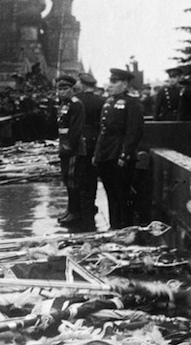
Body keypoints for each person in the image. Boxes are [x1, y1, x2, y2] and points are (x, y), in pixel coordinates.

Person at [93, 68, 144, 229]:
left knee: (123, 193)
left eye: (115, 82)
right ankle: (114, 226)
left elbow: (133, 131)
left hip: (119, 154)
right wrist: (97, 153)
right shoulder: (108, 102)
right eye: (111, 81)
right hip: (106, 154)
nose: (111, 85)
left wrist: (125, 154)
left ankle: (126, 228)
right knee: (111, 192)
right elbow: (103, 131)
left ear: (125, 84)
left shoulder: (132, 102)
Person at [54, 76, 87, 229]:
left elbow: (76, 128)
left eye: (65, 89)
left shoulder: (76, 105)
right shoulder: (63, 105)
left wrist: (68, 146)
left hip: (73, 148)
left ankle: (76, 212)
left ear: (72, 89)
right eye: (59, 89)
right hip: (64, 146)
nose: (62, 92)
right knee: (67, 179)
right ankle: (70, 209)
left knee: (73, 180)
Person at [75, 73, 106, 230]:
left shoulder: (75, 100)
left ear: (81, 83)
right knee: (92, 176)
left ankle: (82, 207)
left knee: (80, 176)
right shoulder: (101, 100)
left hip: (79, 142)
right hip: (95, 142)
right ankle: (91, 205)